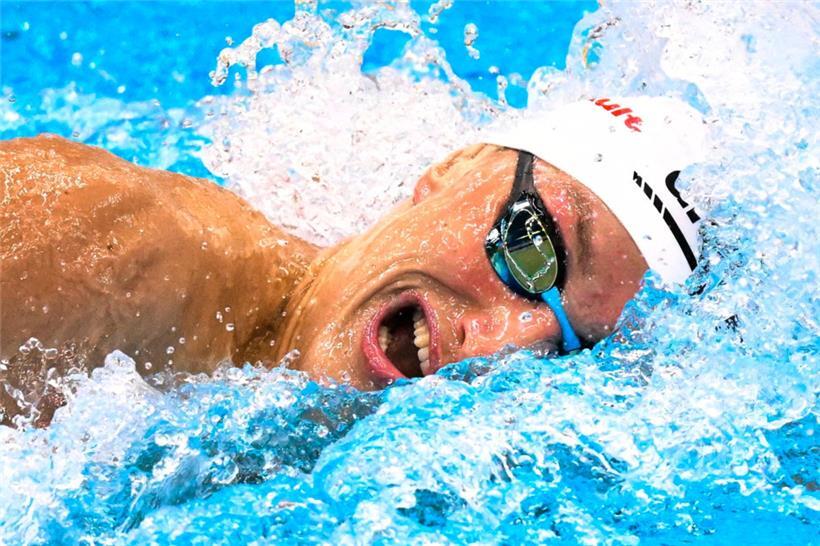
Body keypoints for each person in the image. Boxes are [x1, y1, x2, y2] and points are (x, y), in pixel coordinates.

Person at [0, 96, 706, 423]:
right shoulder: (109, 244)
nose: (505, 344)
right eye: (531, 246)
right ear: (453, 169)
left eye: (565, 351)